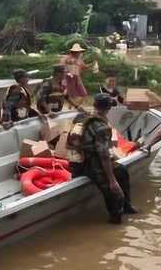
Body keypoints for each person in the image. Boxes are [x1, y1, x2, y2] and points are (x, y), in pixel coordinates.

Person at [66, 93, 137, 224]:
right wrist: (112, 181)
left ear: (94, 104)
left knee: (121, 170)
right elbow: (103, 155)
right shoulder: (102, 127)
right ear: (108, 109)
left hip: (74, 162)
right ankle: (115, 220)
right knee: (114, 192)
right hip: (89, 164)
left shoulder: (80, 117)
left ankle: (127, 206)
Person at [60, 43, 93, 110]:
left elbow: (84, 67)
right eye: (78, 52)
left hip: (77, 78)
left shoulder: (79, 59)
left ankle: (75, 106)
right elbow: (63, 65)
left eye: (79, 52)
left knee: (84, 94)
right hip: (69, 78)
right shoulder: (67, 58)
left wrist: (92, 65)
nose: (79, 53)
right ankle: (72, 107)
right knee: (71, 95)